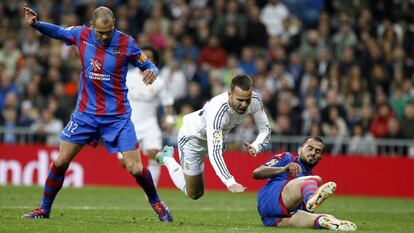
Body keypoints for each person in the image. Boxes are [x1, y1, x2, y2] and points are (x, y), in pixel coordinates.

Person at [21, 4, 172, 222]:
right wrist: (36, 24)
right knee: (61, 160)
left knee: (136, 168)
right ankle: (44, 209)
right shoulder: (81, 34)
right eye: (100, 32)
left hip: (118, 117)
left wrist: (152, 71)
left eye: (108, 32)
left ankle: (157, 203)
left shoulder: (126, 42)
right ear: (92, 26)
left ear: (114, 26)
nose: (104, 37)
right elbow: (58, 32)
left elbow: (147, 64)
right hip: (85, 114)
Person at [156, 74, 271, 199]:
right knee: (194, 194)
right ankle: (167, 159)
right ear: (229, 94)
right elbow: (214, 153)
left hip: (216, 138)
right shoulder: (217, 111)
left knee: (220, 145)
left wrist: (256, 145)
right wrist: (230, 182)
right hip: (192, 140)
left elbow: (265, 129)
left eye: (247, 99)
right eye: (240, 100)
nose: (244, 104)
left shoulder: (255, 101)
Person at [253, 136, 356, 231]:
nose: (313, 153)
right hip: (271, 200)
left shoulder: (310, 185)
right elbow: (256, 173)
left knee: (324, 218)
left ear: (320, 158)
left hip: (273, 220)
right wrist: (283, 169)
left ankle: (331, 223)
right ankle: (311, 199)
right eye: (309, 148)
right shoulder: (287, 158)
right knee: (316, 180)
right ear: (299, 150)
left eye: (317, 151)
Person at [117, 46, 175, 187]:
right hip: (128, 124)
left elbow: (168, 105)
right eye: (143, 57)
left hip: (150, 123)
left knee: (154, 154)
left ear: (154, 61)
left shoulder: (159, 82)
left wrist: (169, 120)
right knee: (125, 163)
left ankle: (151, 188)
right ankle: (143, 177)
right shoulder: (127, 77)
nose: (145, 60)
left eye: (150, 57)